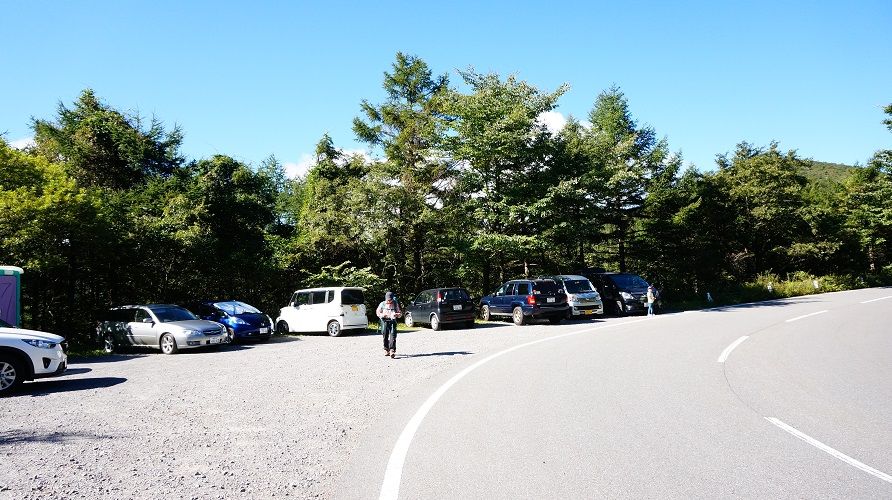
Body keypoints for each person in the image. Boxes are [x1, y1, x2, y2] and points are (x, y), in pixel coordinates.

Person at [377, 291, 402, 358]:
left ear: (392, 298)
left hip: (392, 321)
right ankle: (386, 349)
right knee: (385, 335)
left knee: (393, 335)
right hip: (384, 321)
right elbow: (378, 312)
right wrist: (382, 315)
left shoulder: (395, 304)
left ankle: (392, 350)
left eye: (390, 300)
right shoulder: (382, 304)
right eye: (388, 300)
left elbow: (400, 313)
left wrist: (397, 314)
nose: (389, 301)